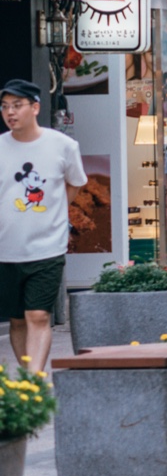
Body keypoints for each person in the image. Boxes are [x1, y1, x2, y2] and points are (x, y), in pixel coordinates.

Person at [0, 80, 82, 375]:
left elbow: (74, 183)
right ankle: (25, 376)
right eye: (5, 106)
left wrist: (54, 213)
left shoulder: (63, 146)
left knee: (37, 315)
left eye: (17, 105)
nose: (10, 112)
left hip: (47, 246)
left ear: (35, 107)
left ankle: (34, 381)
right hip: (6, 250)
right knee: (17, 319)